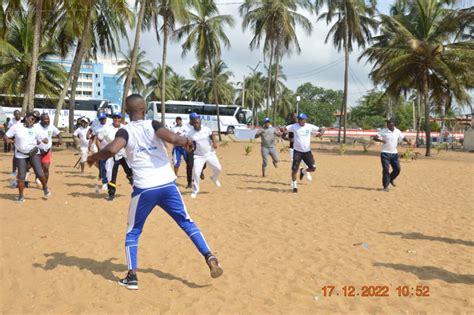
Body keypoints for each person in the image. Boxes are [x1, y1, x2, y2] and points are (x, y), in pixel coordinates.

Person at [87, 94, 223, 290]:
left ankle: (132, 276)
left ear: (126, 112)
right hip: (168, 185)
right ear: (144, 110)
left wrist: (94, 157)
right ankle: (209, 255)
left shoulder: (125, 131)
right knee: (187, 222)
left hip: (144, 189)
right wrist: (186, 141)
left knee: (133, 232)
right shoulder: (153, 124)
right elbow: (173, 138)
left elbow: (112, 150)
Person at [3, 112, 51, 203]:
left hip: (33, 153)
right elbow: (5, 136)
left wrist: (45, 140)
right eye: (32, 119)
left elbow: (42, 138)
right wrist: (8, 140)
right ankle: (21, 196)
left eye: (35, 120)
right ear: (26, 117)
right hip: (20, 155)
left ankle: (45, 187)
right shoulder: (16, 127)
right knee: (21, 176)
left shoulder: (36, 129)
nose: (33, 121)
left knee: (39, 173)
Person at [282, 113, 324, 193]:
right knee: (294, 170)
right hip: (297, 152)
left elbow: (321, 129)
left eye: (302, 119)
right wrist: (283, 132)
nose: (300, 120)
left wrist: (321, 133)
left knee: (313, 168)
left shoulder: (309, 126)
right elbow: (283, 129)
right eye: (299, 119)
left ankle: (303, 171)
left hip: (307, 152)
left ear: (305, 119)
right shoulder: (294, 126)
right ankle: (295, 186)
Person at [97, 112, 133, 201]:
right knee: (111, 174)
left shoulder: (125, 128)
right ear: (112, 119)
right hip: (112, 154)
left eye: (118, 118)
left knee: (130, 172)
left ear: (120, 119)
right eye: (115, 118)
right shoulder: (107, 129)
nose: (116, 119)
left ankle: (137, 189)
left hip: (124, 154)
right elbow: (98, 139)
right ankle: (111, 193)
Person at [187, 114, 222, 199]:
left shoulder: (206, 129)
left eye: (198, 123)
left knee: (218, 168)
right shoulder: (190, 133)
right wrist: (189, 149)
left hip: (210, 153)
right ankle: (195, 191)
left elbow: (212, 135)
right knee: (196, 173)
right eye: (195, 123)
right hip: (198, 156)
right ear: (193, 124)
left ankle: (214, 178)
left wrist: (214, 143)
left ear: (200, 123)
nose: (197, 125)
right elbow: (189, 145)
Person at [373, 118, 412, 192]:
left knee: (397, 169)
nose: (388, 124)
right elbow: (375, 138)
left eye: (389, 122)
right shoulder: (383, 131)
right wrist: (381, 140)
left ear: (393, 124)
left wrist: (408, 142)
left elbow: (403, 137)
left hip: (394, 153)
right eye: (387, 123)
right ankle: (385, 187)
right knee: (386, 170)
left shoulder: (397, 131)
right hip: (385, 153)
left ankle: (391, 179)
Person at [282, 112, 312, 182]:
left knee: (306, 163)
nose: (295, 118)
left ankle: (305, 172)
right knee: (294, 166)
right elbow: (283, 136)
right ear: (291, 118)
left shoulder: (303, 126)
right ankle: (293, 181)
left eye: (296, 117)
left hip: (303, 149)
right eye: (293, 117)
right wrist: (290, 139)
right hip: (292, 148)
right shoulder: (290, 127)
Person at [36, 113, 63, 185]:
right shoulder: (35, 127)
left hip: (47, 150)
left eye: (48, 120)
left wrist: (60, 139)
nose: (47, 121)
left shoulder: (51, 126)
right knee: (37, 167)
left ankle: (45, 185)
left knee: (46, 168)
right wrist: (40, 140)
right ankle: (37, 176)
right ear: (41, 120)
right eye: (45, 120)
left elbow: (58, 133)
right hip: (36, 151)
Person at [89, 112, 110, 190]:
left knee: (109, 166)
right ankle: (104, 182)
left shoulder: (109, 126)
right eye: (101, 119)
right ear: (99, 119)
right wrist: (89, 145)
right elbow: (92, 137)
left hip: (110, 148)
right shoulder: (96, 127)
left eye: (104, 118)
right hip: (101, 149)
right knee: (103, 166)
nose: (103, 120)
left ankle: (110, 181)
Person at [8, 110, 22, 176]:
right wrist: (11, 140)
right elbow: (9, 131)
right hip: (14, 139)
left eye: (18, 114)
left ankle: (24, 169)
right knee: (15, 155)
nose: (17, 115)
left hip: (22, 138)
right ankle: (14, 170)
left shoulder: (23, 120)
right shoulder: (11, 121)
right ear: (14, 115)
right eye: (16, 114)